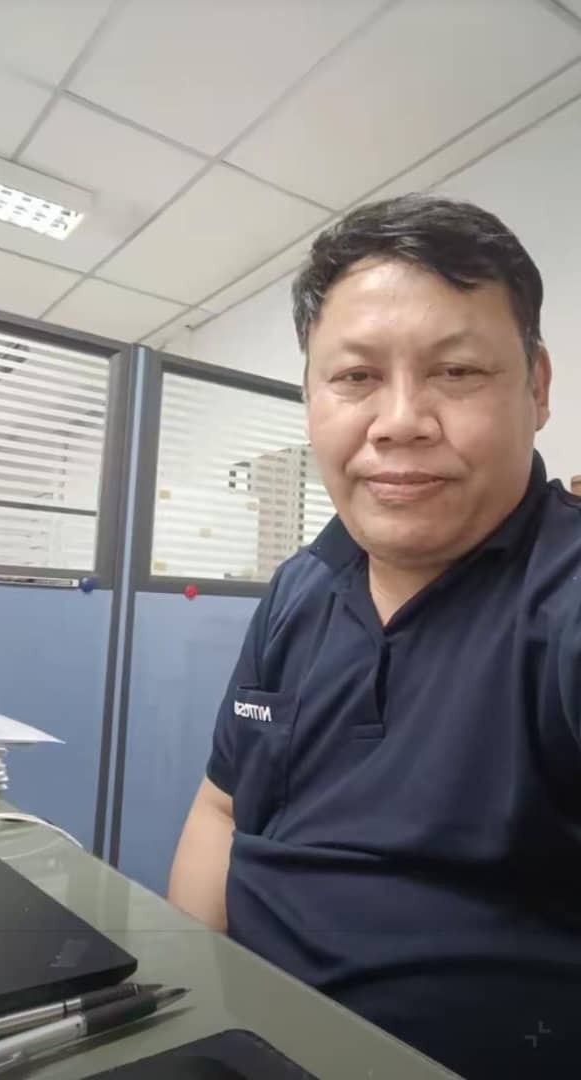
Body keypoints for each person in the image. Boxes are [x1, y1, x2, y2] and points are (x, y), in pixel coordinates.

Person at [168, 194, 581, 1080]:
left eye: (457, 372)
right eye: (356, 377)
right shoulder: (299, 587)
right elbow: (221, 810)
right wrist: (192, 1019)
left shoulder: (565, 602)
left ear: (537, 388)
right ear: (311, 398)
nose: (399, 421)